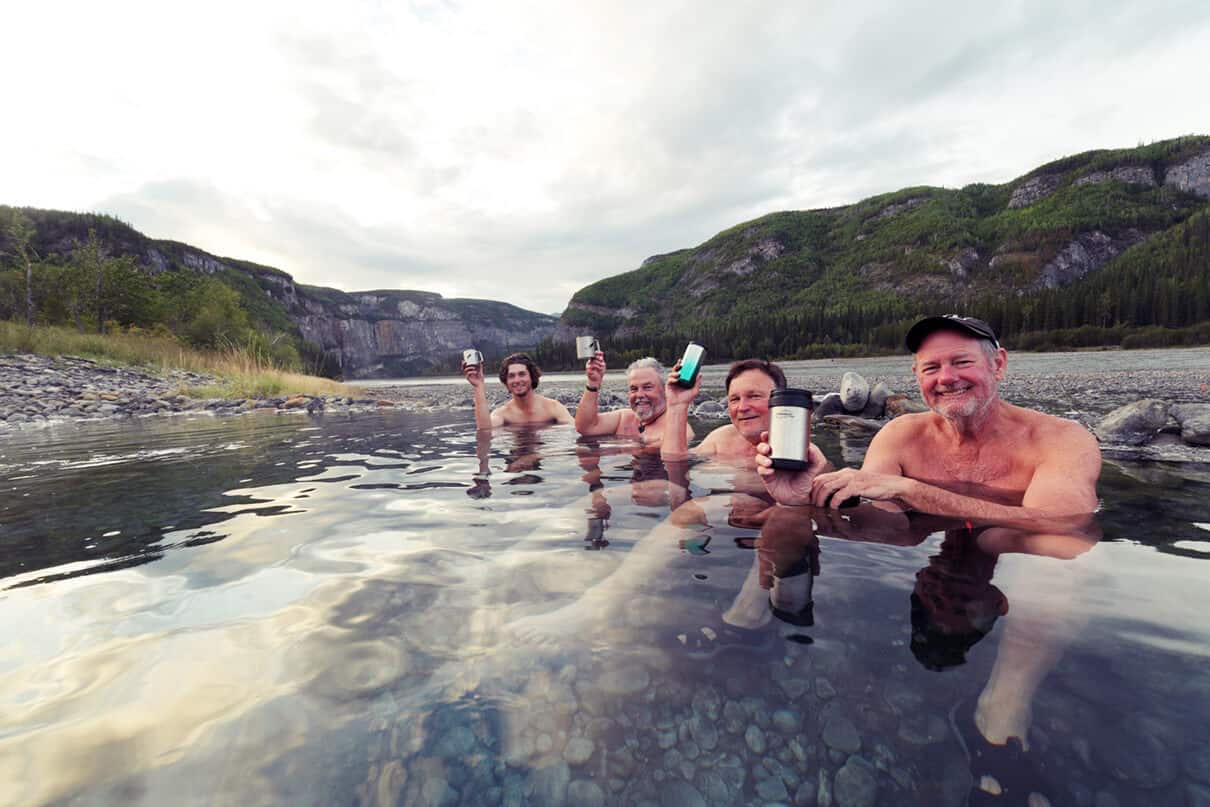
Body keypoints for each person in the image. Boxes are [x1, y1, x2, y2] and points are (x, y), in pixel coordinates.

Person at [757, 315, 1101, 526]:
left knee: (1046, 548)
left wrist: (914, 491)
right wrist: (808, 496)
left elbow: (1065, 525)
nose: (947, 378)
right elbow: (880, 523)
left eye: (962, 362)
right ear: (916, 376)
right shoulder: (900, 437)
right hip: (932, 562)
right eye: (932, 368)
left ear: (998, 364)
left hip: (1018, 561)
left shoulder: (1061, 439)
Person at [661, 358, 829, 470]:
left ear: (781, 401)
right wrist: (677, 405)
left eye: (754, 396)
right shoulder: (722, 439)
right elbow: (675, 463)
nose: (742, 407)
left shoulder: (802, 452)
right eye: (734, 399)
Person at [574, 354, 694, 448]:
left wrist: (619, 449)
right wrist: (593, 383)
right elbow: (585, 428)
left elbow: (672, 456)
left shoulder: (679, 428)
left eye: (647, 387)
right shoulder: (623, 418)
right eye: (634, 389)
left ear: (664, 390)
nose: (639, 395)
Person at [462, 352, 573, 429]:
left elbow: (574, 430)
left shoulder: (553, 407)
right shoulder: (503, 414)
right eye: (511, 376)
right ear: (506, 381)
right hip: (515, 455)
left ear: (532, 376)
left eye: (522, 374)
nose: (517, 380)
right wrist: (478, 386)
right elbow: (485, 429)